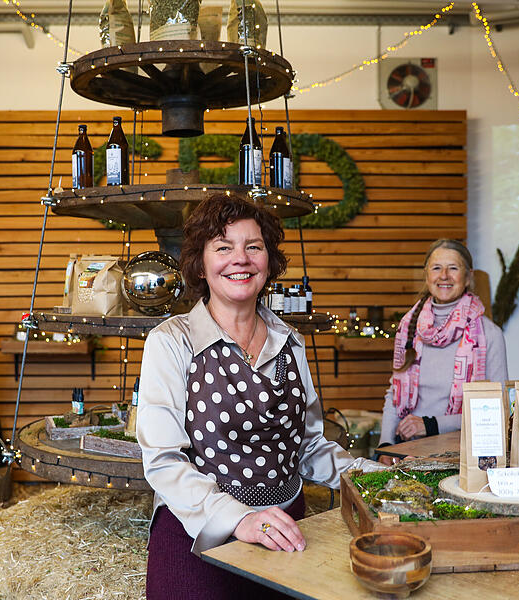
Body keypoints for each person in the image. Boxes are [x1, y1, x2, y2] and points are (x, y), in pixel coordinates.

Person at [137, 193, 381, 600]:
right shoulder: (172, 342)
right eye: (224, 247)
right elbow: (163, 461)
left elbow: (307, 446)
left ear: (268, 260)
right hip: (198, 537)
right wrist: (239, 519)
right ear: (201, 262)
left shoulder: (291, 343)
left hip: (286, 532)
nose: (241, 258)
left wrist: (367, 476)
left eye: (254, 246)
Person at [378, 239, 508, 458]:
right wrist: (385, 445)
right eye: (437, 268)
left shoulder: (489, 334)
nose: (444, 275)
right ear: (427, 275)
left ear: (468, 277)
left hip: (461, 454)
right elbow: (394, 394)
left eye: (453, 268)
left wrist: (431, 425)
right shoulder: (408, 327)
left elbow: (495, 407)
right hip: (406, 450)